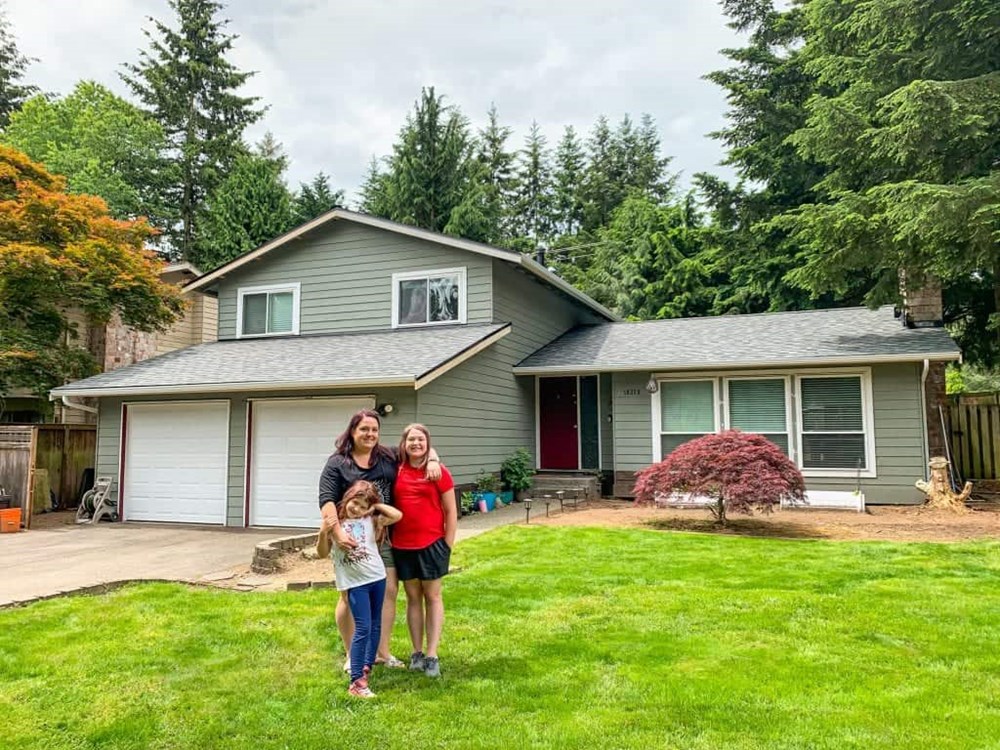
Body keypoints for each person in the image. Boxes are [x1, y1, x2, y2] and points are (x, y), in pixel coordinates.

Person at [318, 409, 442, 672]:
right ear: (352, 431)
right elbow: (326, 500)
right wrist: (338, 533)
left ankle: (382, 653)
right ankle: (353, 653)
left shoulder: (386, 456)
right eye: (364, 429)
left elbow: (416, 448)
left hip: (382, 537)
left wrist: (433, 458)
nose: (370, 434)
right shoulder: (338, 463)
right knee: (348, 595)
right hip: (348, 538)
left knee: (388, 591)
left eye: (374, 430)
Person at [318, 480, 401, 698]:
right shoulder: (335, 525)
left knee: (375, 625)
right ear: (347, 499)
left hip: (377, 577)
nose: (357, 509)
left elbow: (396, 515)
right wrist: (322, 533)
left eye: (363, 506)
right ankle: (356, 682)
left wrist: (374, 507)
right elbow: (321, 552)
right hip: (355, 584)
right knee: (363, 627)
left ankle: (366, 667)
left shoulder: (371, 520)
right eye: (355, 503)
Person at [391, 423, 457, 678]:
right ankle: (416, 651)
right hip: (402, 545)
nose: (416, 444)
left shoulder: (439, 472)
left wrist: (447, 545)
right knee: (412, 597)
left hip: (432, 545)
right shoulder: (396, 469)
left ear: (428, 443)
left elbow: (451, 510)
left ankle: (432, 654)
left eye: (421, 440)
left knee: (433, 596)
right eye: (411, 440)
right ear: (404, 443)